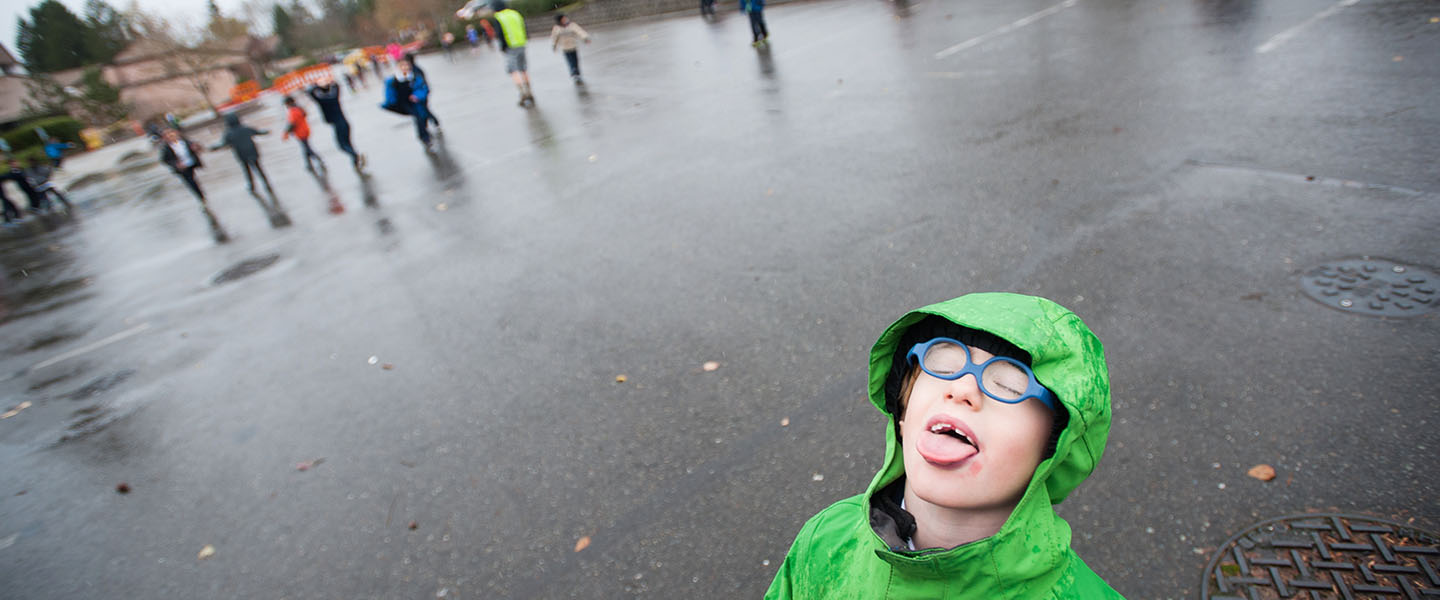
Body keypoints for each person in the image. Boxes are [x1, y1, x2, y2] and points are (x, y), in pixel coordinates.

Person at [765, 293, 1124, 599]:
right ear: (902, 416)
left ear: (1054, 450)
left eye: (1009, 386)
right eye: (943, 364)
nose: (963, 389)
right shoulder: (826, 540)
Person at [460, 0, 533, 106]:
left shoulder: (499, 17)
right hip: (521, 44)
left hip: (510, 46)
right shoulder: (515, 13)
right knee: (523, 69)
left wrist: (503, 47)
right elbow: (523, 26)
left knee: (514, 71)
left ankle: (523, 94)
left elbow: (500, 33)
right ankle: (529, 91)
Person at [306, 74, 366, 172]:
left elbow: (310, 92)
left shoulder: (321, 99)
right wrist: (329, 82)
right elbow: (336, 85)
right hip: (344, 122)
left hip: (337, 124)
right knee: (348, 143)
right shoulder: (334, 95)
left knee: (342, 145)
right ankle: (355, 162)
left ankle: (355, 155)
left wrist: (316, 84)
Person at [210, 113, 275, 198]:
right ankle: (266, 184)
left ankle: (251, 186)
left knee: (247, 171)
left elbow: (223, 144)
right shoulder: (245, 128)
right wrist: (266, 131)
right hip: (252, 152)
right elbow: (258, 132)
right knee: (259, 169)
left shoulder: (228, 133)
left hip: (242, 155)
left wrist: (214, 147)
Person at [381, 58, 437, 151]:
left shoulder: (415, 77)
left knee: (423, 116)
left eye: (406, 65)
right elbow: (389, 93)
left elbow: (423, 88)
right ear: (398, 67)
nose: (405, 68)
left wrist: (417, 96)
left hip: (415, 102)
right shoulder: (393, 80)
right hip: (403, 103)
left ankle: (425, 134)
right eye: (402, 66)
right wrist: (390, 103)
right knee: (418, 117)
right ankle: (425, 138)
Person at [159, 128, 206, 201]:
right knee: (191, 182)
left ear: (176, 134)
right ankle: (200, 197)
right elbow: (164, 160)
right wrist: (175, 164)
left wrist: (196, 148)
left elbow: (198, 147)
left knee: (194, 179)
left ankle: (200, 194)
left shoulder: (185, 141)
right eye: (168, 137)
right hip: (182, 168)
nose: (171, 138)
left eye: (172, 135)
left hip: (191, 163)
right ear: (165, 138)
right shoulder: (166, 148)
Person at [282, 96, 326, 173]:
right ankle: (308, 164)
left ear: (288, 103)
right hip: (305, 130)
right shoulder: (299, 108)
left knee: (307, 148)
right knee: (305, 147)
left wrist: (286, 133)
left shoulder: (293, 111)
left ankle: (318, 159)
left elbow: (292, 123)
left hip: (300, 132)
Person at [404, 53, 442, 130]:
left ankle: (435, 123)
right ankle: (428, 125)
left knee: (423, 109)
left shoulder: (416, 70)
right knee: (422, 109)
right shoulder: (412, 70)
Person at [551, 14, 591, 84]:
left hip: (573, 46)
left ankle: (577, 74)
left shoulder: (571, 25)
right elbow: (554, 38)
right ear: (560, 20)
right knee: (570, 62)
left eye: (565, 18)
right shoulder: (557, 28)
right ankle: (574, 73)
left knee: (575, 61)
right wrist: (554, 46)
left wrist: (585, 38)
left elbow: (579, 31)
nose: (565, 19)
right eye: (563, 19)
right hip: (565, 48)